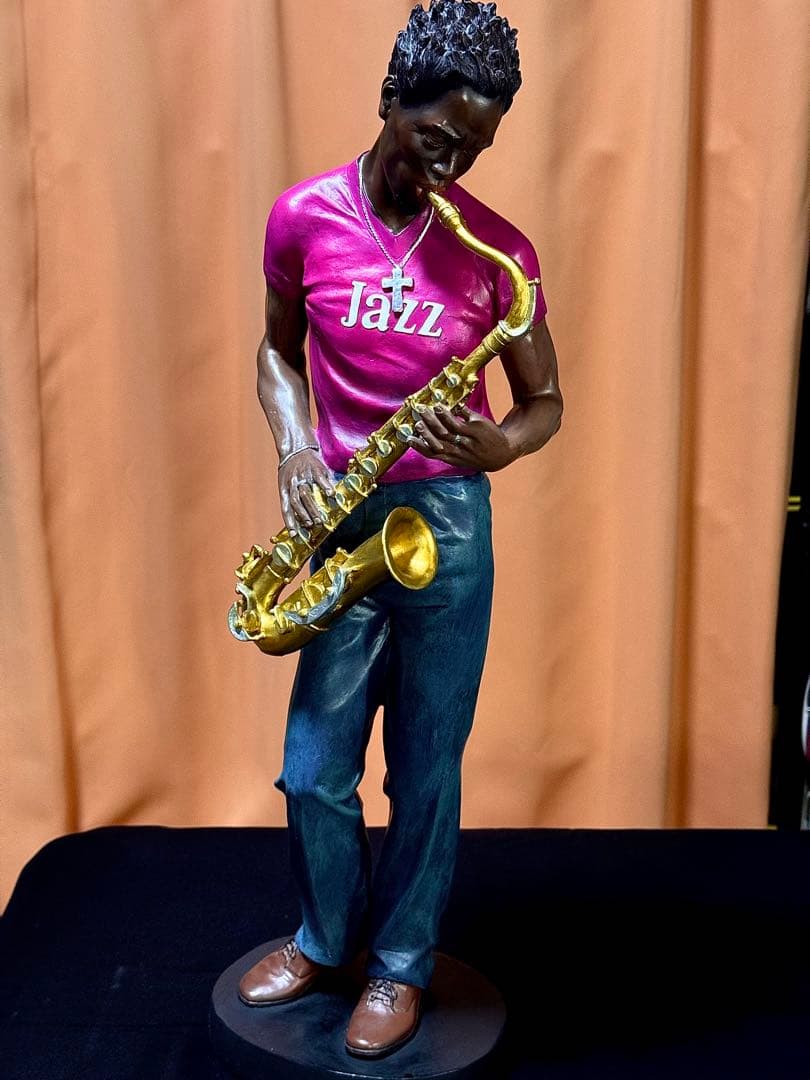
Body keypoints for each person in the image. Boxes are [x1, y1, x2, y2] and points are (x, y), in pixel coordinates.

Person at [237, 0, 562, 1059]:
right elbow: (276, 350)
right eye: (437, 137)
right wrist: (296, 448)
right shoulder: (303, 217)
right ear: (390, 99)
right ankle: (324, 939)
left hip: (446, 525)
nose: (452, 166)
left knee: (426, 766)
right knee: (314, 768)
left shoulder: (500, 255)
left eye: (475, 149)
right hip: (344, 517)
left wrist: (499, 446)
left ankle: (400, 964)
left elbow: (545, 403)